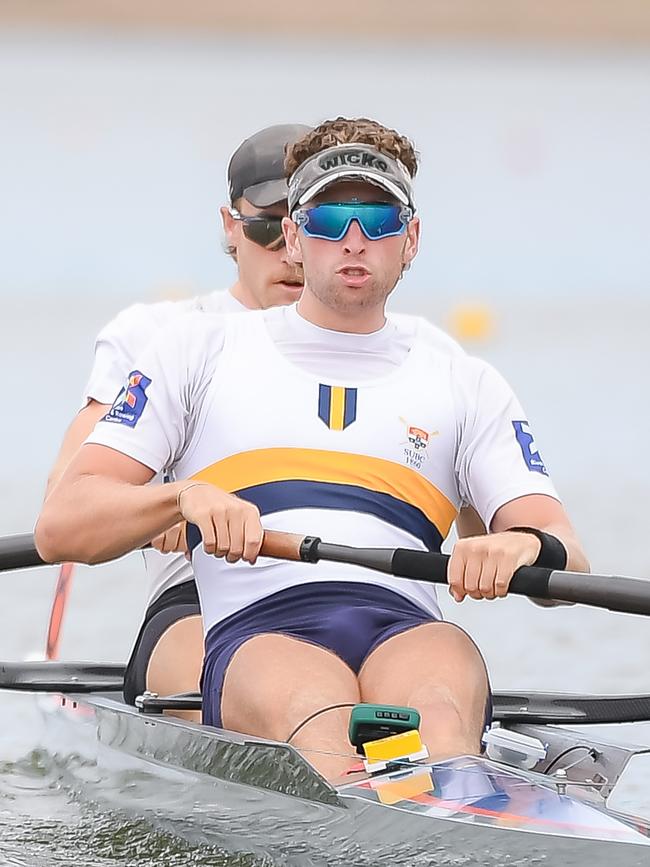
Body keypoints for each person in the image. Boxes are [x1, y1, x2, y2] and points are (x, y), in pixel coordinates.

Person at [35, 116, 589, 782]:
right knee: (322, 728)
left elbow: (567, 556)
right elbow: (62, 521)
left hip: (407, 623)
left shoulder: (463, 377)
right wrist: (182, 496)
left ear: (411, 239)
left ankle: (451, 795)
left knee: (441, 724)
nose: (354, 242)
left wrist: (522, 545)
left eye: (378, 220)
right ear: (295, 236)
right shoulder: (193, 351)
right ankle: (391, 794)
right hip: (265, 625)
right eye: (329, 220)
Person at [44, 123, 310, 705]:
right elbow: (66, 500)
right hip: (202, 600)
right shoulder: (154, 335)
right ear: (229, 227)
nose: (291, 253)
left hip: (356, 598)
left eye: (313, 226)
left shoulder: (402, 358)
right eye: (269, 227)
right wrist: (161, 503)